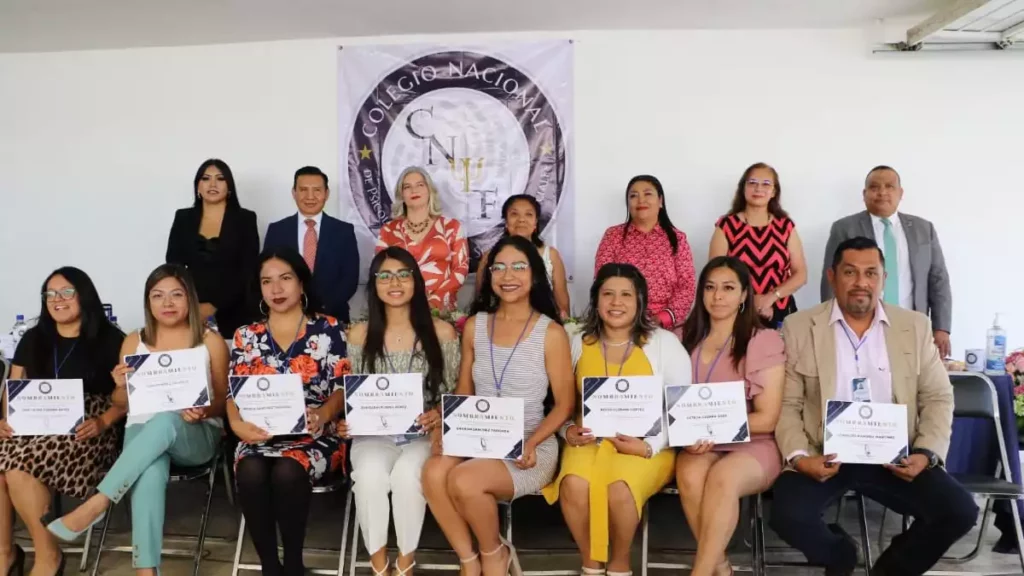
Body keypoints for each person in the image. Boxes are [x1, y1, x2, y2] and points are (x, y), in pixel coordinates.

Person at [772, 237, 977, 576]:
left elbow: (938, 397)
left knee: (958, 511)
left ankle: (890, 571)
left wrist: (925, 453)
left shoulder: (915, 326)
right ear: (832, 276)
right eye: (850, 272)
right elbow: (790, 403)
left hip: (893, 458)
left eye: (871, 273)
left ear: (883, 279)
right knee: (788, 516)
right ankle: (840, 555)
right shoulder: (799, 326)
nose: (861, 282)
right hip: (824, 452)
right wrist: (799, 457)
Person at [47, 264, 229, 576]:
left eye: (176, 295)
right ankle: (147, 571)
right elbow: (121, 404)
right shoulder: (134, 341)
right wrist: (120, 386)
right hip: (142, 433)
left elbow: (224, 401)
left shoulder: (210, 340)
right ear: (148, 302)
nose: (167, 303)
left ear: (190, 299)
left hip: (195, 434)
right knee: (148, 469)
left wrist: (203, 410)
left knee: (166, 420)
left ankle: (98, 503)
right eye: (158, 296)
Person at [421, 235, 574, 576]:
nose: (508, 275)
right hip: (477, 436)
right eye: (499, 267)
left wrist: (533, 442)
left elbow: (564, 405)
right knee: (434, 471)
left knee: (464, 480)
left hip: (528, 443)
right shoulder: (475, 326)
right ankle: (469, 559)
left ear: (534, 276)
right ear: (489, 276)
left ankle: (494, 554)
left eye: (519, 267)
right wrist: (446, 428)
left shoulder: (550, 333)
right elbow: (465, 389)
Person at [541, 263, 690, 575]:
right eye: (608, 294)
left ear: (640, 302)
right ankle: (591, 564)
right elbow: (559, 403)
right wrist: (567, 432)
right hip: (587, 443)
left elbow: (681, 407)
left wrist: (649, 446)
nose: (616, 302)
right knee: (573, 484)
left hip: (647, 447)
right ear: (596, 300)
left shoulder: (665, 344)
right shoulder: (576, 341)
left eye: (626, 295)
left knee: (619, 487)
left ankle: (620, 563)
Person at [228, 248, 350, 576]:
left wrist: (324, 415)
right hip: (259, 433)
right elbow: (232, 393)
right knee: (250, 471)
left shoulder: (330, 329)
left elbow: (342, 388)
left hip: (315, 433)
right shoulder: (246, 335)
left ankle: (293, 564)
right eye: (267, 281)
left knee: (286, 471)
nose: (276, 289)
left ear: (301, 284)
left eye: (285, 279)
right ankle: (270, 566)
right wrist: (236, 423)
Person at [0, 268, 124, 576]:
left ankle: (47, 557)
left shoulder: (111, 339)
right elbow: (14, 387)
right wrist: (4, 420)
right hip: (33, 422)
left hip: (87, 426)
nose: (58, 300)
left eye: (67, 292)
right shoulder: (33, 337)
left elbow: (126, 397)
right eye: (50, 294)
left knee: (16, 467)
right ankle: (5, 553)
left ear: (84, 296)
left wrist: (103, 421)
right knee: (4, 456)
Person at [348, 247, 461, 576]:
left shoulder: (441, 333)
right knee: (369, 477)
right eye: (384, 275)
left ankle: (406, 560)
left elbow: (453, 391)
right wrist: (347, 419)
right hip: (373, 435)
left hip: (422, 435)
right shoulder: (359, 335)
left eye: (403, 274)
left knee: (407, 476)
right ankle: (379, 563)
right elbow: (353, 393)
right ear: (374, 285)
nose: (393, 282)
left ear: (416, 282)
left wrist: (439, 415)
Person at [677, 257, 785, 576]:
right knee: (690, 473)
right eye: (710, 288)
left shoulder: (762, 340)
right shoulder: (682, 336)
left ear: (743, 295)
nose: (717, 296)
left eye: (728, 288)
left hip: (754, 443)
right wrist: (690, 434)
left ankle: (701, 572)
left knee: (723, 478)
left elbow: (767, 417)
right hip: (699, 443)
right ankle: (721, 567)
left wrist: (713, 430)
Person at [820, 166, 952, 358]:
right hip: (860, 327)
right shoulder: (844, 228)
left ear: (900, 193)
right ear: (864, 194)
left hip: (911, 326)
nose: (882, 192)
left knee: (909, 384)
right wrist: (832, 325)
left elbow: (938, 280)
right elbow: (830, 282)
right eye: (874, 187)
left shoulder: (924, 229)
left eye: (889, 186)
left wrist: (941, 328)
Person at [166, 158, 260, 336]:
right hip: (190, 309)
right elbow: (173, 264)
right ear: (198, 186)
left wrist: (214, 305)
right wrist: (190, 304)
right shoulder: (183, 218)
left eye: (220, 178)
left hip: (234, 309)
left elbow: (249, 270)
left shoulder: (245, 219)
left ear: (229, 186)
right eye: (206, 178)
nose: (213, 184)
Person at [594, 175, 695, 335]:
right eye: (633, 196)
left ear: (660, 201)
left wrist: (662, 318)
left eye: (648, 194)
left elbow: (687, 286)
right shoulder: (613, 236)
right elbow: (602, 282)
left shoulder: (677, 239)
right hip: (621, 321)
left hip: (666, 327)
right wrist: (624, 316)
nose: (641, 200)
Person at [709, 163, 807, 328]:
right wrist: (751, 302)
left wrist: (771, 298)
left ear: (774, 191)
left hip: (781, 311)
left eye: (766, 184)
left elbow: (801, 274)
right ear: (743, 188)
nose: (758, 188)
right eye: (752, 183)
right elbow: (715, 274)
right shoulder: (726, 226)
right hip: (738, 312)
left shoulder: (785, 226)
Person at [264, 166, 360, 324]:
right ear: (294, 193)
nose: (310, 196)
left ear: (326, 194)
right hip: (286, 317)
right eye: (303, 190)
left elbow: (350, 279)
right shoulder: (277, 230)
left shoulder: (343, 231)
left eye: (317, 190)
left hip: (332, 317)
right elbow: (267, 275)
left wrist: (322, 310)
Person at [376, 167, 469, 312]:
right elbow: (382, 272)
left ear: (430, 190)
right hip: (400, 308)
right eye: (407, 187)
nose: (414, 191)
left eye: (420, 185)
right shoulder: (388, 230)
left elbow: (461, 269)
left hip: (441, 309)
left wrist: (435, 300)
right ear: (401, 195)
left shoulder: (451, 226)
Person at [476, 194, 570, 318]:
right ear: (506, 221)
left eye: (528, 214)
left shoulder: (551, 255)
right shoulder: (490, 256)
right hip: (500, 324)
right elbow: (481, 298)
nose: (521, 219)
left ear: (535, 222)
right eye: (514, 214)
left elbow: (562, 304)